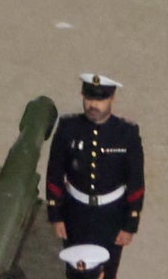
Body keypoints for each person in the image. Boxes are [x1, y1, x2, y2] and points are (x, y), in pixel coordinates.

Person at [46, 74, 146, 258]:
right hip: (75, 212)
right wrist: (56, 215)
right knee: (76, 270)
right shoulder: (68, 128)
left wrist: (130, 224)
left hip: (111, 215)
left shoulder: (126, 133)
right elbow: (54, 173)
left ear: (112, 99)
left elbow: (136, 181)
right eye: (89, 98)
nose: (93, 105)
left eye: (100, 99)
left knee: (107, 276)